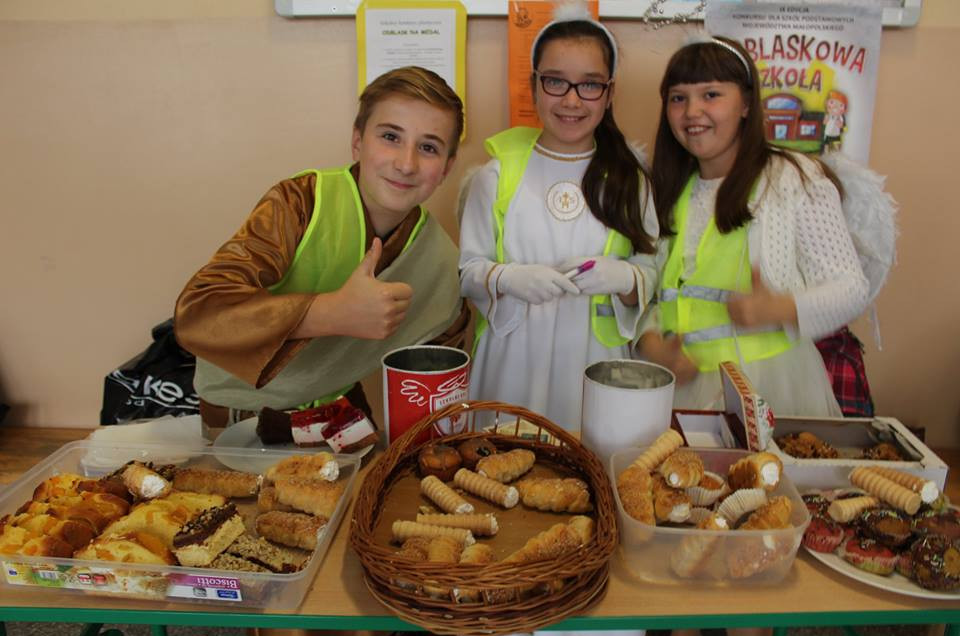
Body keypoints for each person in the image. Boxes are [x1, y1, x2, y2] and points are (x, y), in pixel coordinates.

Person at [175, 65, 468, 434]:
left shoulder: (440, 260)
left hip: (340, 413)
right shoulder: (300, 204)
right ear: (358, 141)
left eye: (428, 148)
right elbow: (198, 315)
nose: (406, 164)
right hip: (243, 417)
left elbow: (441, 381)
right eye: (391, 137)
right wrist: (330, 312)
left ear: (446, 168)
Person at [636, 36, 869, 423]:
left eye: (711, 94)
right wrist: (652, 345)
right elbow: (655, 294)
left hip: (771, 387)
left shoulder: (792, 178)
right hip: (683, 391)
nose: (692, 111)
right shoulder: (667, 189)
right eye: (678, 98)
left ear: (746, 103)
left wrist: (779, 308)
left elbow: (851, 289)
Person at [458, 7, 659, 434]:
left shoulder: (629, 180)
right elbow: (467, 272)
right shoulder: (495, 176)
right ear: (534, 84)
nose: (571, 100)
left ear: (609, 92)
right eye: (555, 81)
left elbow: (652, 271)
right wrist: (506, 278)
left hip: (593, 363)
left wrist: (625, 277)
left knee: (589, 460)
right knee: (503, 459)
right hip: (512, 360)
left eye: (589, 84)